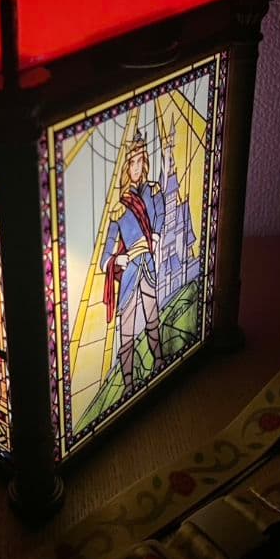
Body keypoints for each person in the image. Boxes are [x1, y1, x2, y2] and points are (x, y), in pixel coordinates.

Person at [101, 130, 166, 397]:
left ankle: (160, 361)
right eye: (132, 162)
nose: (137, 167)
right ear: (125, 167)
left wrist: (156, 236)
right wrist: (117, 259)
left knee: (153, 318)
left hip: (148, 264)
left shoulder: (153, 191)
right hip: (129, 272)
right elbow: (105, 256)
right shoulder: (118, 208)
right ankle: (128, 385)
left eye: (141, 161)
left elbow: (160, 215)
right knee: (126, 332)